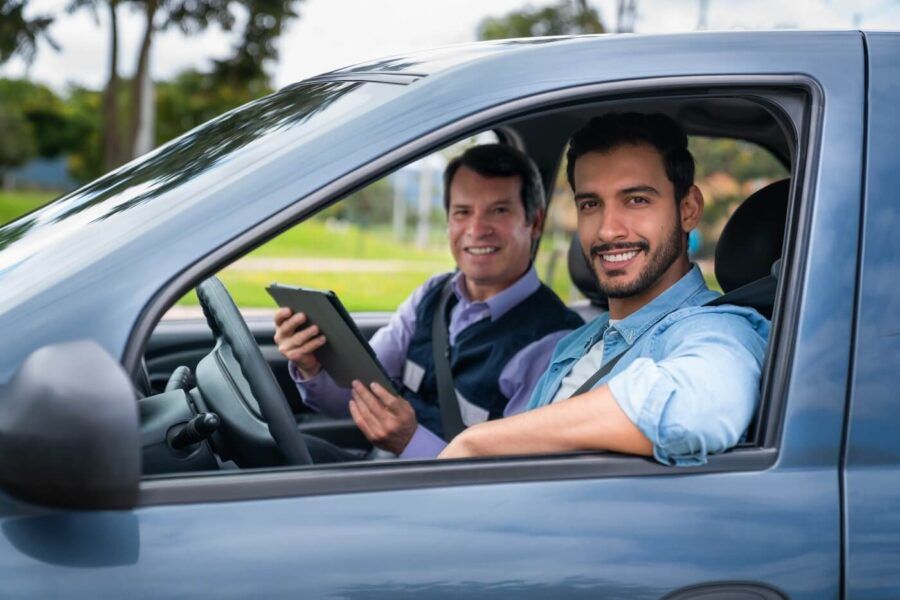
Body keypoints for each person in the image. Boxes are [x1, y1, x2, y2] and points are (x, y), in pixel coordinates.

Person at [430, 112, 771, 465]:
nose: (608, 230)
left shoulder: (720, 329)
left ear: (688, 209)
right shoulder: (578, 342)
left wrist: (476, 444)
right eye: (591, 204)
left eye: (636, 200)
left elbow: (699, 409)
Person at [274, 144, 583, 459]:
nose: (477, 230)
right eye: (463, 212)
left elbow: (512, 479)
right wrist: (311, 367)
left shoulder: (556, 344)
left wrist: (410, 442)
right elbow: (356, 396)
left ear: (534, 223)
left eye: (499, 210)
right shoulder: (431, 296)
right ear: (448, 222)